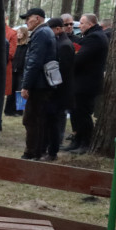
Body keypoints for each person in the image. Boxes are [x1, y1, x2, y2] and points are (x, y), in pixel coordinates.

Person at [66, 13, 109, 154]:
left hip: (86, 83)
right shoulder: (92, 36)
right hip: (82, 82)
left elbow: (79, 58)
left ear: (90, 24)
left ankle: (85, 143)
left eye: (82, 23)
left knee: (83, 114)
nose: (80, 26)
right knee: (76, 112)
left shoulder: (95, 38)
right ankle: (77, 140)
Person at [19, 7, 56, 160]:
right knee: (38, 118)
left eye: (29, 18)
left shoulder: (41, 33)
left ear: (38, 18)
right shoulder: (46, 32)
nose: (27, 21)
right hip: (43, 83)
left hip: (38, 84)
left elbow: (34, 62)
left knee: (31, 119)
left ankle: (32, 152)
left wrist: (26, 85)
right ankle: (37, 150)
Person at [43, 17, 74, 161]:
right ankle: (48, 147)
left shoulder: (64, 45)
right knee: (49, 121)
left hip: (59, 92)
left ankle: (52, 151)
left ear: (57, 29)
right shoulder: (58, 42)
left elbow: (64, 71)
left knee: (54, 122)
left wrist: (53, 86)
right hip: (55, 90)